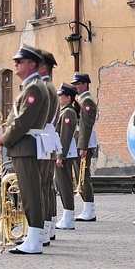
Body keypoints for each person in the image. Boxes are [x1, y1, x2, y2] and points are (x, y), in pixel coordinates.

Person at [0, 45, 49, 255]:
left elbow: (23, 121)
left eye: (20, 61)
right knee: (28, 192)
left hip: (26, 145)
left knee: (31, 192)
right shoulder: (30, 86)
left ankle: (34, 239)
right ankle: (32, 236)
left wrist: (3, 138)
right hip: (23, 145)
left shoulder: (34, 88)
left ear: (32, 64)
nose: (15, 64)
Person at [39, 49, 60, 245]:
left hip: (41, 141)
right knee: (47, 187)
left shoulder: (43, 87)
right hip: (48, 141)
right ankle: (48, 227)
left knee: (41, 187)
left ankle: (42, 230)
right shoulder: (50, 87)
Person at [71, 71, 98, 222]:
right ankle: (87, 208)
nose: (75, 87)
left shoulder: (87, 102)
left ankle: (89, 210)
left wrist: (82, 146)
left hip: (83, 142)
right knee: (79, 175)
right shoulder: (81, 100)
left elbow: (86, 126)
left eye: (78, 84)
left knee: (82, 176)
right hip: (80, 141)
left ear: (85, 84)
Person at [55, 83, 79, 231]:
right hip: (63, 153)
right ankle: (67, 214)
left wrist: (60, 156)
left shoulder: (68, 113)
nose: (59, 98)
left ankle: (69, 216)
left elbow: (65, 136)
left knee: (65, 184)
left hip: (65, 153)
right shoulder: (64, 112)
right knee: (61, 184)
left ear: (68, 97)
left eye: (60, 95)